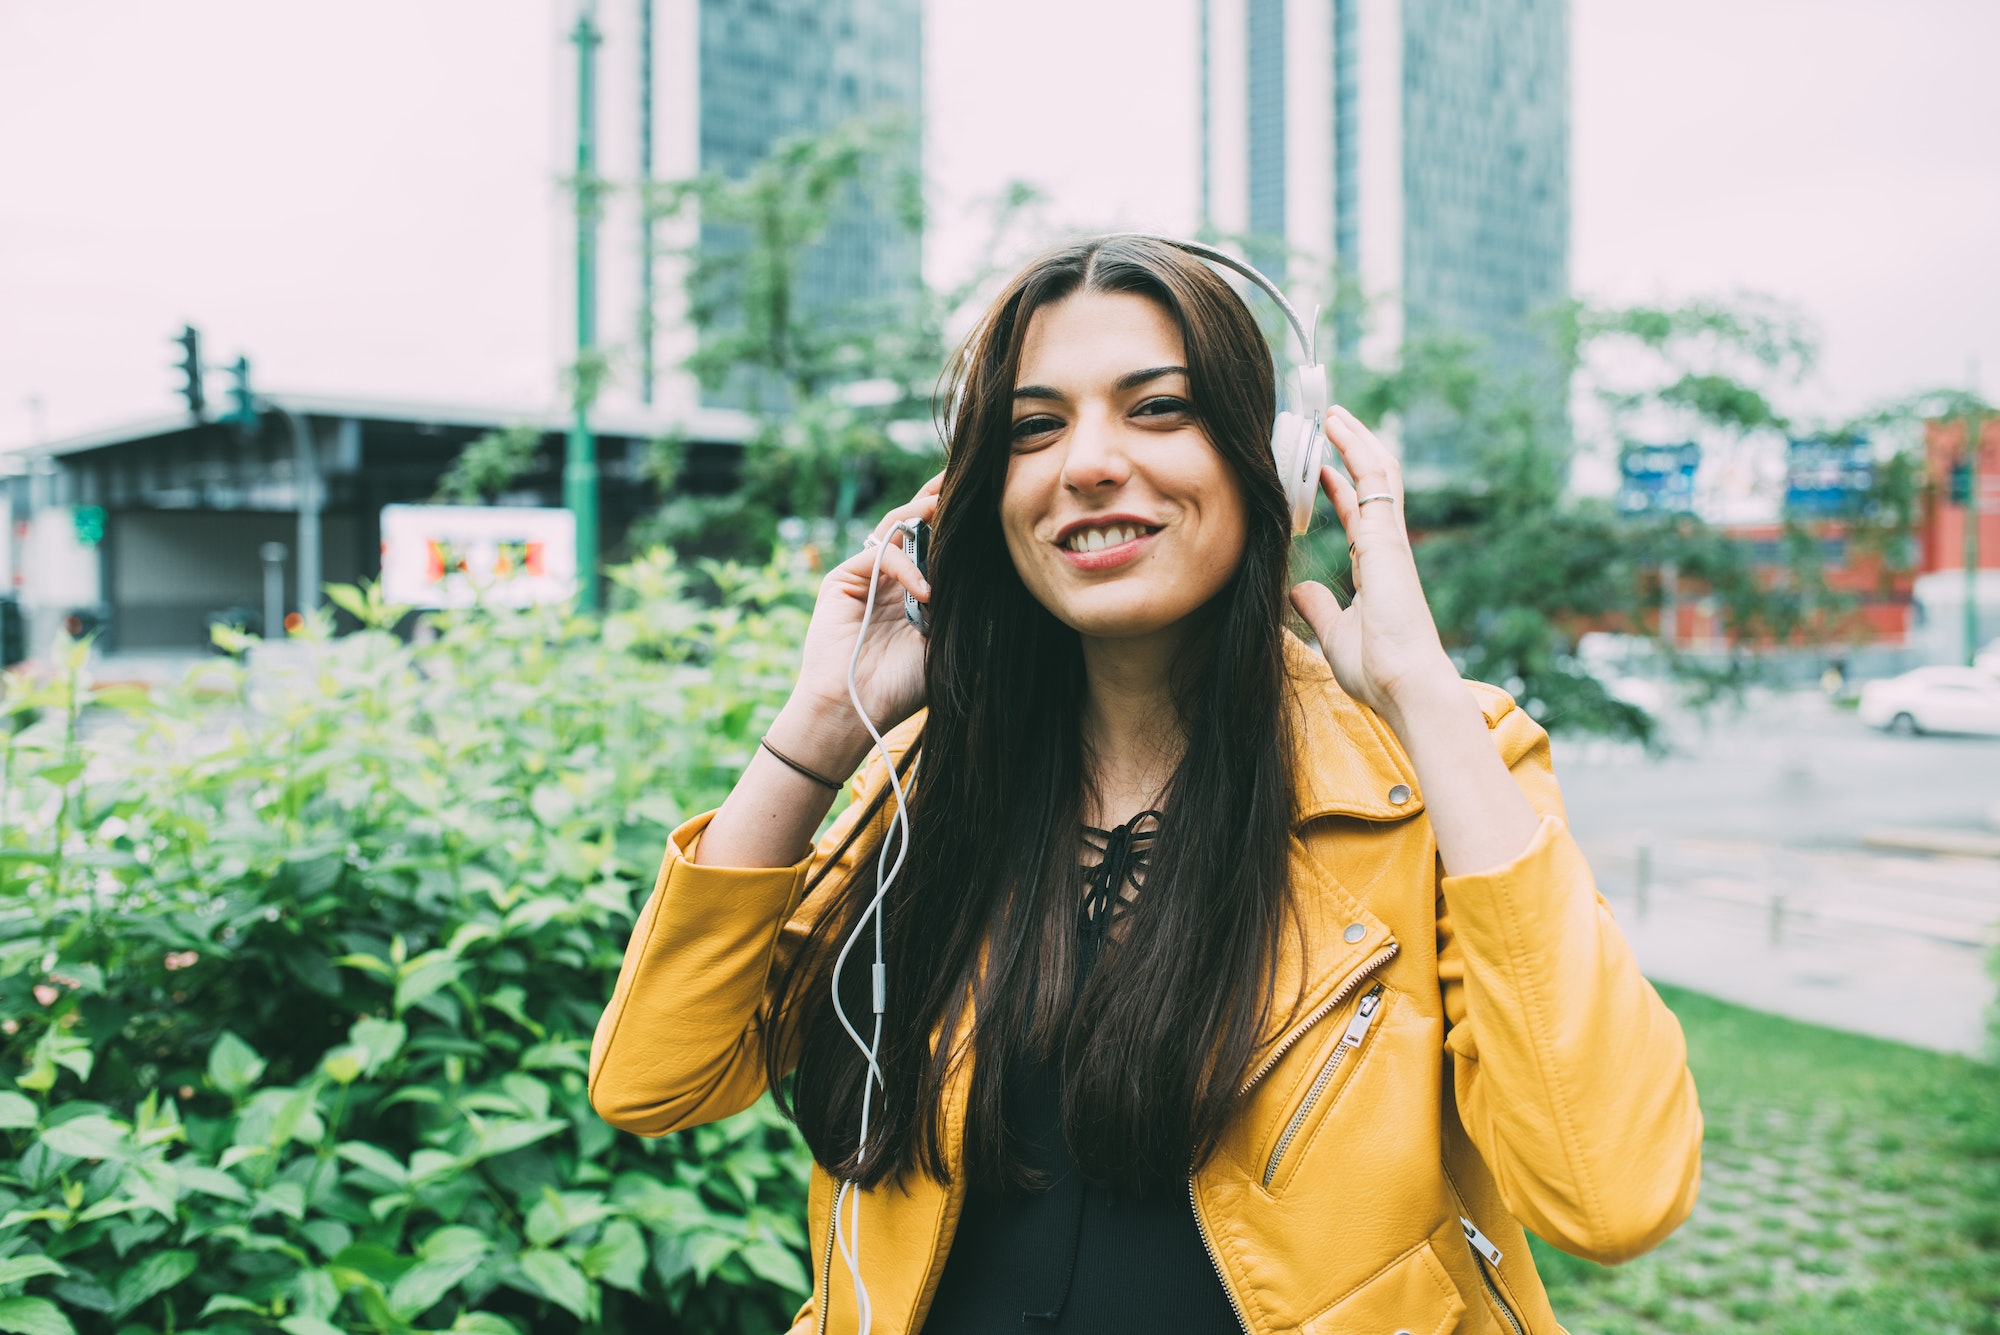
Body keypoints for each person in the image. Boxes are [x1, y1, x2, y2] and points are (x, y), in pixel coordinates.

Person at [589, 235, 1702, 1335]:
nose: (1086, 463)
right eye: (1034, 427)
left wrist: (1420, 694)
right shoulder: (932, 785)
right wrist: (822, 727)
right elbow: (651, 1080)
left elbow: (1611, 1195)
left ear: (1275, 461)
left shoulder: (1435, 772)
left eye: (1158, 408)